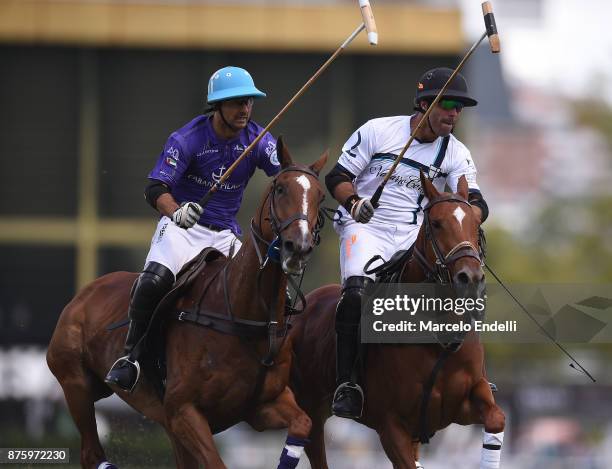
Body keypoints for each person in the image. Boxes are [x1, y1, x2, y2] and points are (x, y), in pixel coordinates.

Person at [324, 67, 490, 419]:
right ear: (424, 104)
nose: (454, 113)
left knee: (458, 283)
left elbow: (476, 200)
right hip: (365, 227)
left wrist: (467, 217)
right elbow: (337, 177)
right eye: (447, 104)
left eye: (459, 108)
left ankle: (472, 376)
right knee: (356, 294)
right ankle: (348, 383)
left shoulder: (455, 153)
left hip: (410, 234)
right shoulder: (378, 131)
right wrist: (355, 203)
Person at [105, 66, 280, 392]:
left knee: (261, 287)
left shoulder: (258, 139)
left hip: (226, 234)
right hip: (183, 229)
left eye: (249, 102)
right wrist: (177, 211)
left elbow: (284, 173)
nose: (245, 110)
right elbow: (154, 188)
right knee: (154, 280)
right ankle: (131, 357)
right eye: (237, 103)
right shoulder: (187, 139)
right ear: (217, 106)